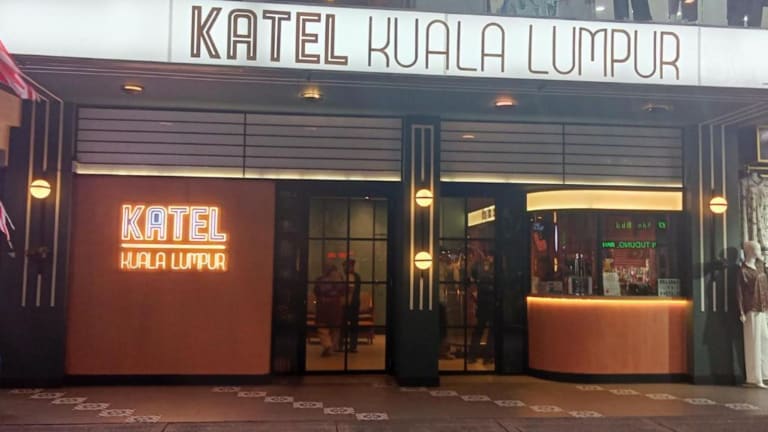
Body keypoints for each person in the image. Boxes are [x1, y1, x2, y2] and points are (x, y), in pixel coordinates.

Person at [738, 240, 768, 388]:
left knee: (764, 339)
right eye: (756, 248)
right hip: (751, 308)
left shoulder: (760, 266)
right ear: (749, 251)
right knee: (753, 342)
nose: (759, 250)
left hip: (762, 307)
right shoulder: (743, 270)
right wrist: (741, 311)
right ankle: (755, 378)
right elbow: (739, 292)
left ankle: (764, 374)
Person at [469, 254, 495, 365]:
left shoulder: (479, 266)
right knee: (489, 330)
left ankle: (474, 355)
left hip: (484, 302)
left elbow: (473, 277)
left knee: (480, 329)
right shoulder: (493, 267)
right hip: (489, 303)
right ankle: (487, 356)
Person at [315, 264, 344, 357]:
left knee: (322, 327)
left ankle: (327, 344)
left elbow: (316, 291)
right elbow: (344, 291)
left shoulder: (320, 279)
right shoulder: (340, 280)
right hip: (336, 305)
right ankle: (333, 347)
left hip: (323, 305)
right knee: (335, 328)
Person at [343, 259, 362, 353]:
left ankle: (353, 346)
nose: (347, 268)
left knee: (353, 325)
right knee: (343, 325)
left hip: (353, 304)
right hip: (345, 304)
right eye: (345, 266)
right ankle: (341, 345)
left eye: (349, 266)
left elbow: (355, 292)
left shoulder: (356, 277)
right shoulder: (342, 276)